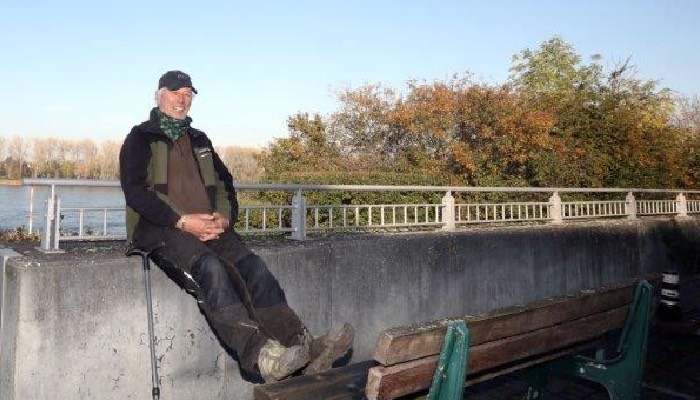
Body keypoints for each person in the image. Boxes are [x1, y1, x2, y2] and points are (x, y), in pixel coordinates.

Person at [119, 70, 353, 383]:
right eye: (176, 92)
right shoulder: (140, 137)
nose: (182, 99)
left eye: (188, 94)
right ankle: (261, 356)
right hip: (163, 229)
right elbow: (135, 190)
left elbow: (225, 183)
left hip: (212, 227)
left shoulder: (200, 139)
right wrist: (183, 220)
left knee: (253, 268)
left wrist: (225, 217)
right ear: (159, 94)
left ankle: (301, 347)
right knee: (211, 269)